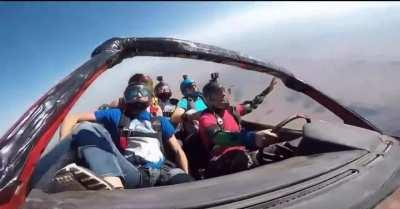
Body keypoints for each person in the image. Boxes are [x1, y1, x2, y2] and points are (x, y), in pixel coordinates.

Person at [59, 83, 193, 189]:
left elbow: (177, 150)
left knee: (187, 186)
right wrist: (63, 147)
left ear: (151, 98)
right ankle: (114, 184)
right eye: (133, 93)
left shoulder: (160, 121)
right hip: (134, 173)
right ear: (125, 98)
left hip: (164, 172)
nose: (139, 96)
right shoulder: (116, 114)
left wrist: (185, 173)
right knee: (86, 128)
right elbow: (74, 117)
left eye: (143, 92)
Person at [199, 73, 290, 178]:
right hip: (220, 163)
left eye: (224, 91)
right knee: (240, 156)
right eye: (219, 92)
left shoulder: (233, 111)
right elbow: (218, 137)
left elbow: (252, 104)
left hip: (243, 156)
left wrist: (268, 90)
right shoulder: (207, 118)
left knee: (281, 148)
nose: (224, 94)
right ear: (209, 99)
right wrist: (252, 137)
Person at [171, 74, 207, 140]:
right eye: (190, 87)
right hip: (197, 135)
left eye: (194, 86)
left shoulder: (203, 98)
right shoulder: (185, 101)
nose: (194, 88)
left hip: (209, 129)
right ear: (184, 91)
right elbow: (175, 118)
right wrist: (190, 115)